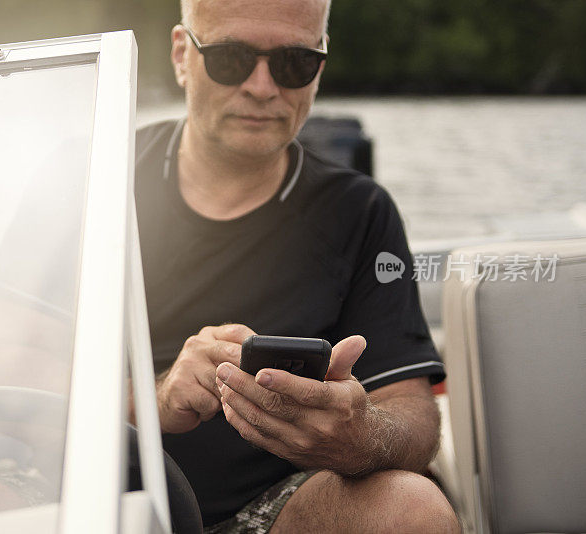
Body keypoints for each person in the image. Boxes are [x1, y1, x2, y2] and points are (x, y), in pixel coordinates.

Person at [131, 0, 459, 531]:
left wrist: (362, 436)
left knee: (410, 510)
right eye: (231, 58)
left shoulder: (360, 212)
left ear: (319, 71)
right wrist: (153, 399)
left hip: (270, 512)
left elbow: (414, 414)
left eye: (293, 64)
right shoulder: (92, 182)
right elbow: (9, 376)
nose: (263, 87)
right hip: (103, 498)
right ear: (182, 57)